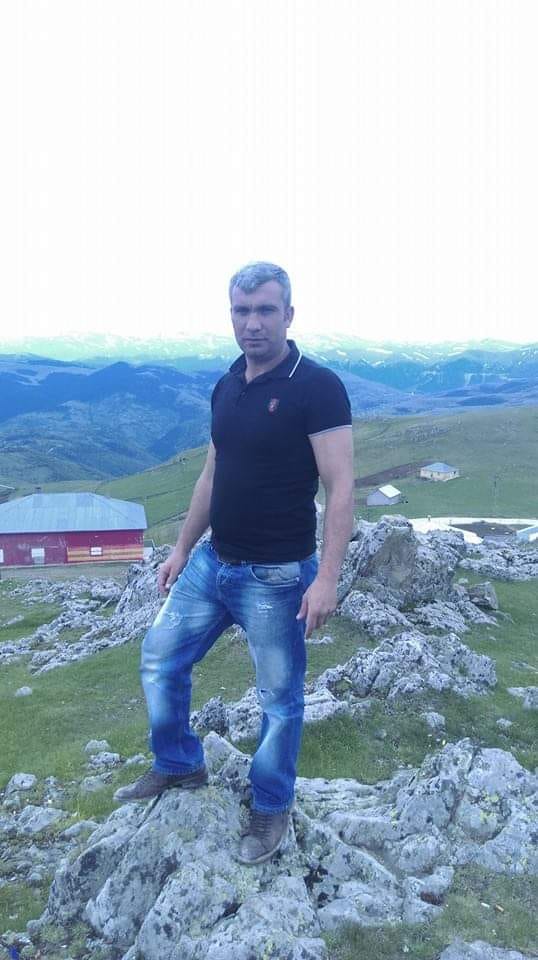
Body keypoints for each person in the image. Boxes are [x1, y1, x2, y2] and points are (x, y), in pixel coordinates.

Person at [114, 261, 354, 865]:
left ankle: (271, 805)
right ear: (230, 315)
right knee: (159, 656)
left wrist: (327, 578)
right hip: (213, 562)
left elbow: (341, 487)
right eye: (242, 311)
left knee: (279, 699)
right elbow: (211, 473)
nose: (253, 323)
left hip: (277, 577)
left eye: (265, 310)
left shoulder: (316, 387)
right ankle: (178, 762)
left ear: (289, 315)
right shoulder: (228, 383)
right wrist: (181, 548)